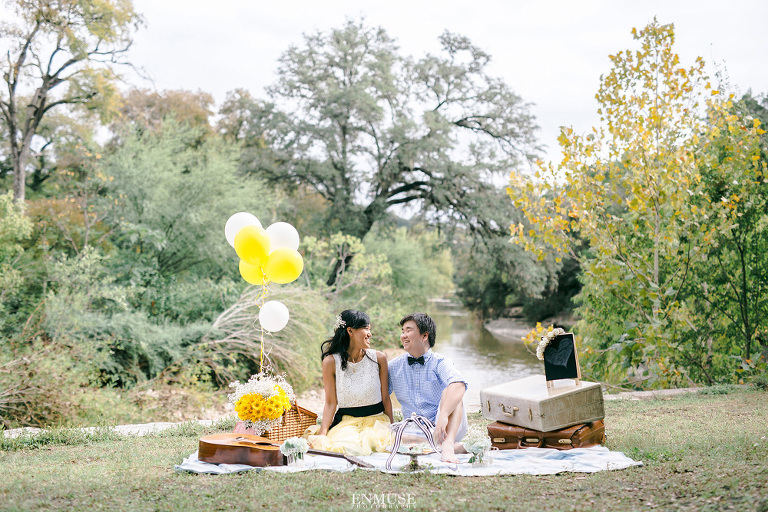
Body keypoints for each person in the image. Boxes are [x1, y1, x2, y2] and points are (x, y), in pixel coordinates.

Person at [306, 309, 394, 455]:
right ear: (350, 331)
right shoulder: (331, 362)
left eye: (370, 329)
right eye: (366, 328)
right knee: (344, 447)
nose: (370, 334)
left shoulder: (379, 358)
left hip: (377, 422)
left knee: (376, 444)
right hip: (347, 423)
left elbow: (385, 399)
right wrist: (322, 433)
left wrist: (392, 427)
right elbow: (330, 403)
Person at [388, 312, 468, 463]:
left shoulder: (440, 362)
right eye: (402, 331)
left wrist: (443, 415)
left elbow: (459, 385)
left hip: (443, 428)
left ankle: (448, 445)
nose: (403, 335)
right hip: (413, 430)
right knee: (390, 438)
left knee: (452, 388)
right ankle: (439, 447)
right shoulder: (393, 366)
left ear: (424, 336)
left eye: (409, 330)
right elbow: (382, 397)